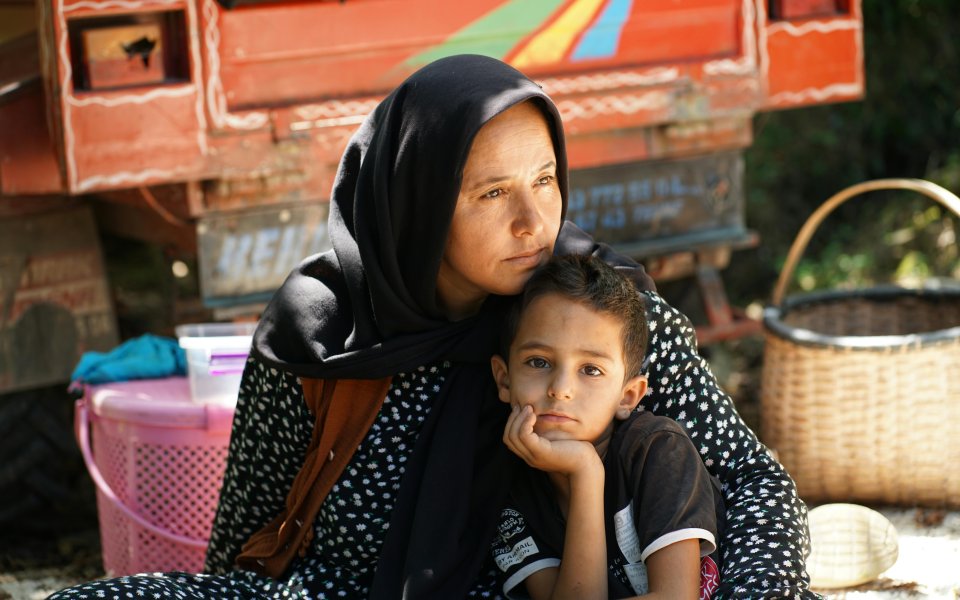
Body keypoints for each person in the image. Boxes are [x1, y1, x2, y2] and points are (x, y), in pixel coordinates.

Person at [49, 54, 816, 599]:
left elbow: (755, 487)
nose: (534, 221)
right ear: (416, 206)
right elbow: (245, 546)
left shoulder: (600, 316)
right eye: (490, 195)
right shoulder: (318, 341)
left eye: (546, 181)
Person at [489, 254, 725, 599]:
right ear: (504, 380)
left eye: (590, 370)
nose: (561, 388)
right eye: (538, 362)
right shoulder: (510, 490)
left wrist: (585, 468)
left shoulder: (658, 451)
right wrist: (585, 473)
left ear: (628, 396)